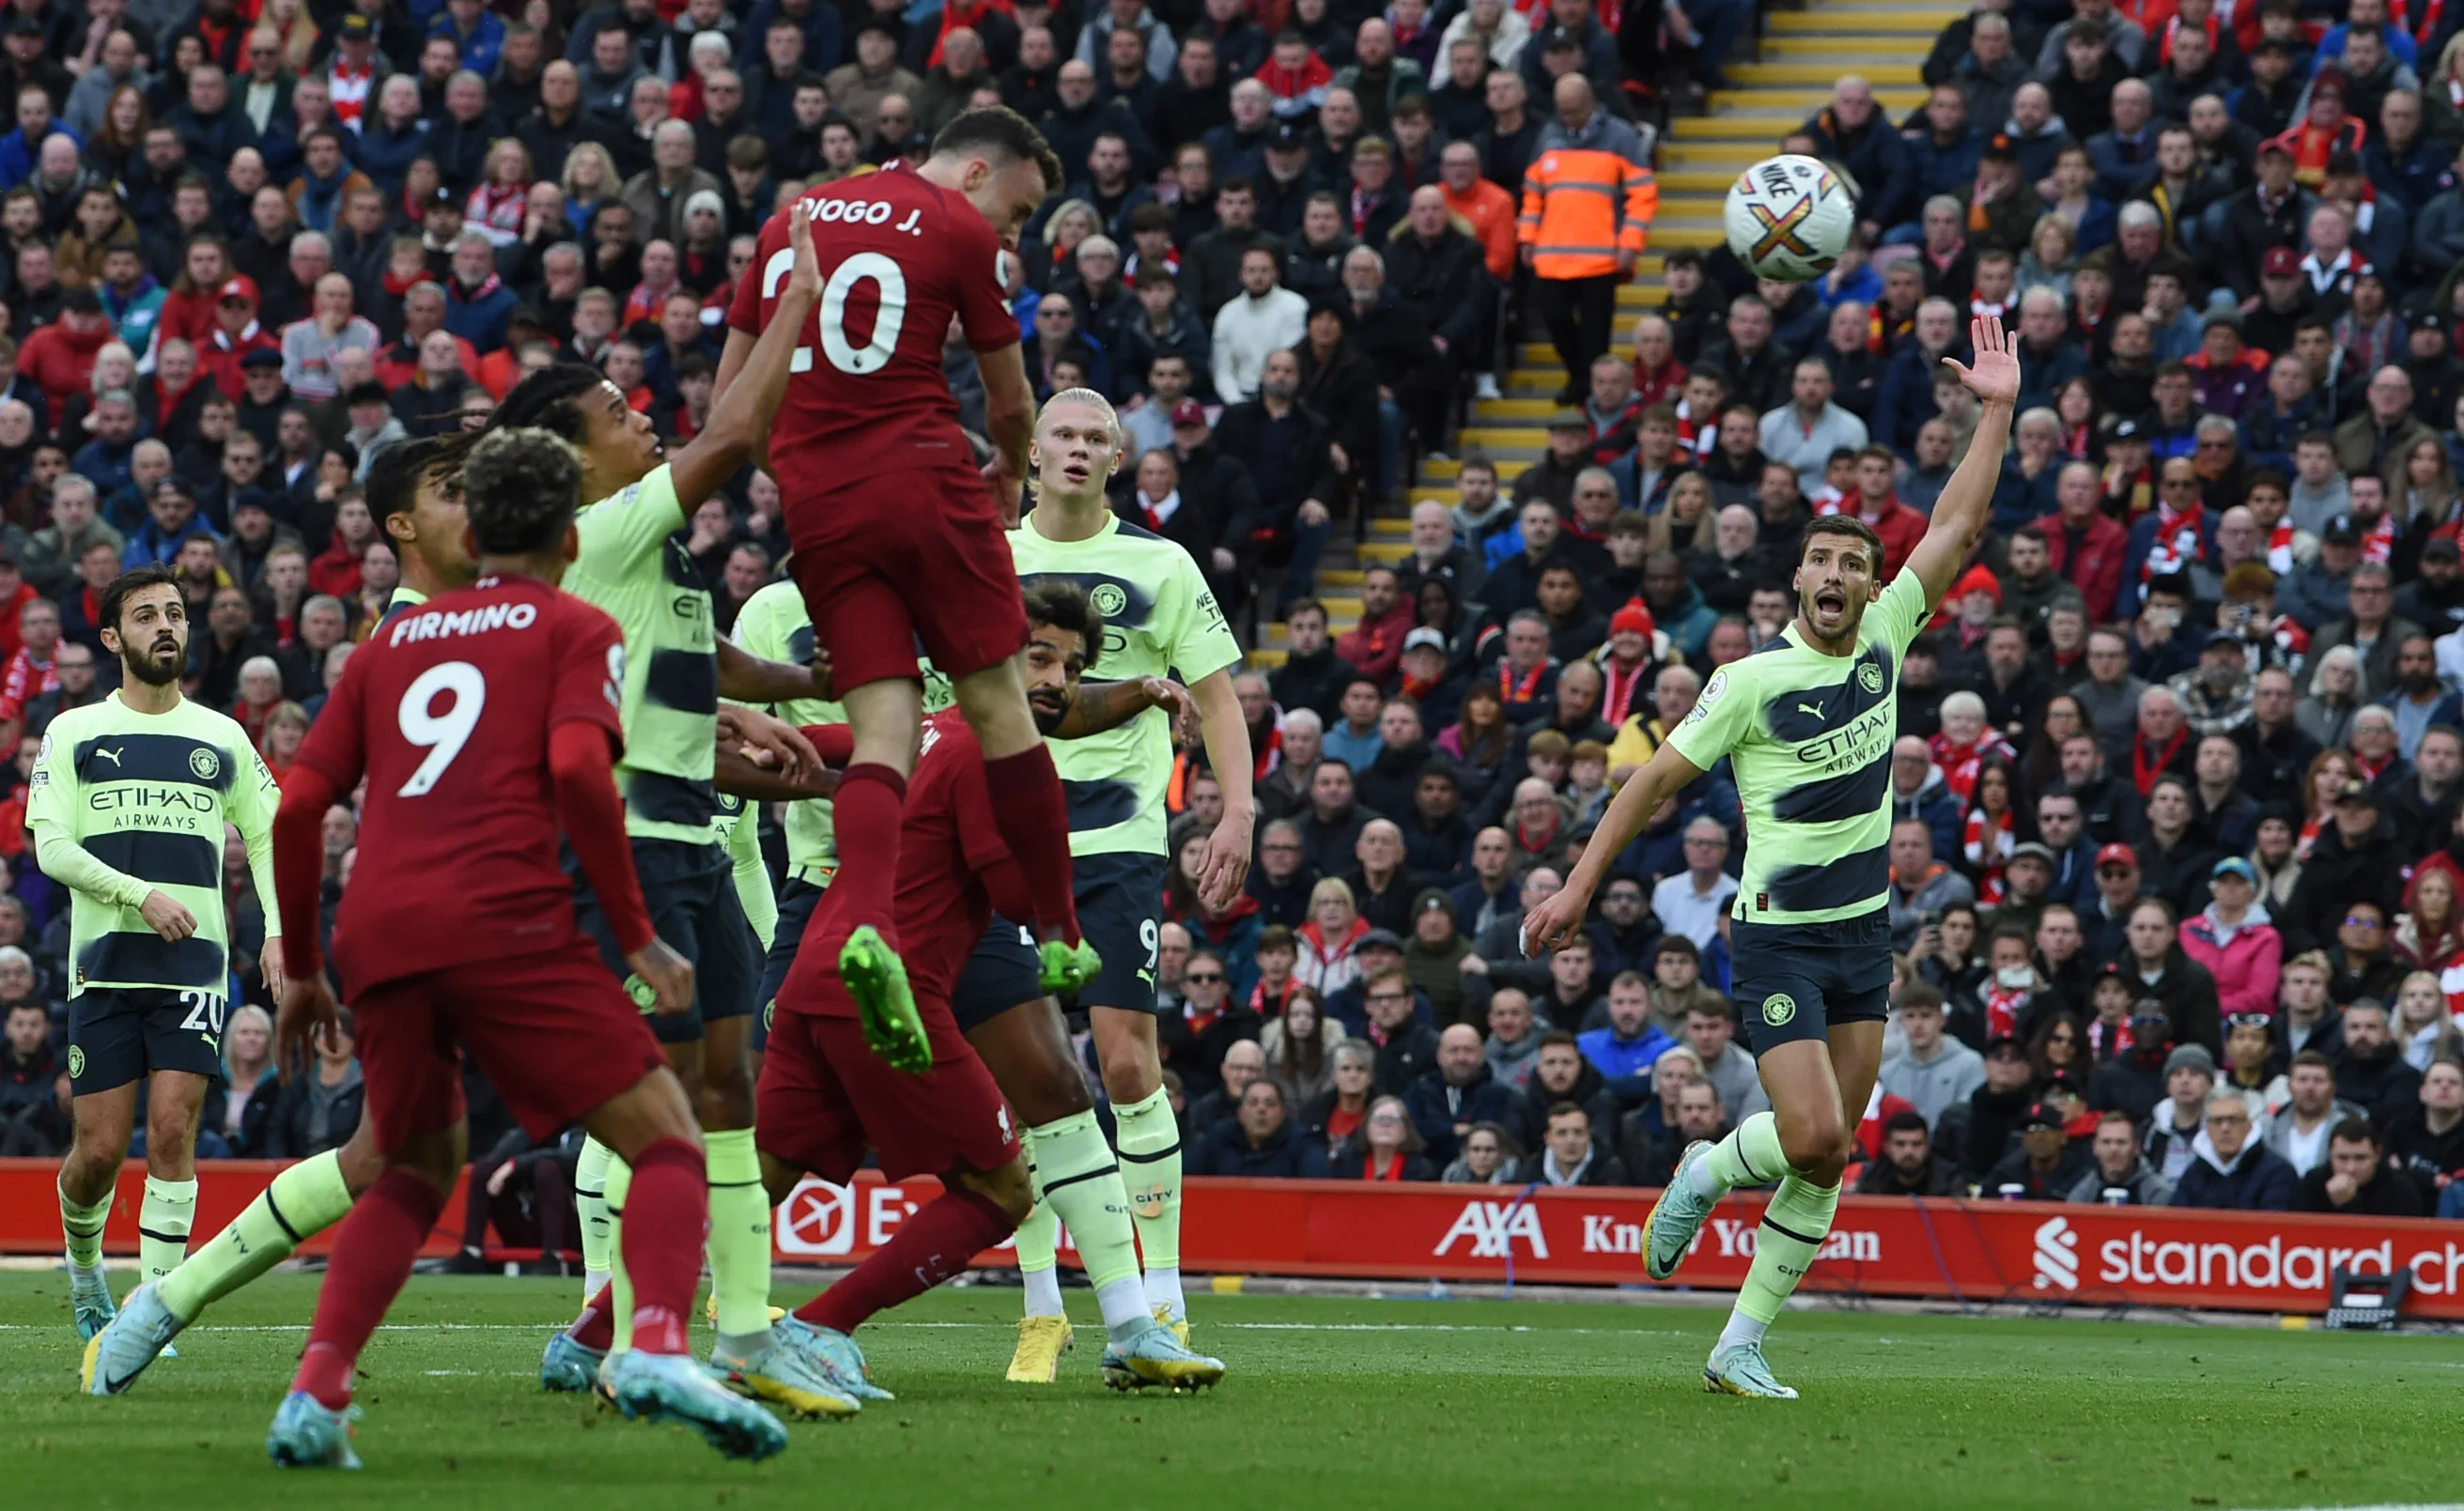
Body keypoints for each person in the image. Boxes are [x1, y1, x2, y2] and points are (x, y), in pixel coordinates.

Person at [242, 427, 783, 1463]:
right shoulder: (577, 625)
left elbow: (299, 802)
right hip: (504, 922)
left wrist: (306, 968)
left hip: (380, 931)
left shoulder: (385, 644)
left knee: (413, 1169)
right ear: (571, 538)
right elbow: (584, 771)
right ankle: (661, 1345)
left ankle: (313, 1395)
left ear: (477, 528)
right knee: (670, 1137)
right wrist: (635, 934)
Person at [1522, 315, 2023, 1398]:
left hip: (1860, 937)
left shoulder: (1890, 627)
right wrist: (1576, 881)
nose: (1840, 575)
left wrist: (1994, 407)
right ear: (1798, 586)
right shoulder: (1749, 682)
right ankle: (1704, 1170)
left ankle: (1737, 1341)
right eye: (1822, 564)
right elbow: (1650, 784)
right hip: (1778, 943)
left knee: (1830, 1150)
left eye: (1855, 560)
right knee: (1806, 1129)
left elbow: (1960, 524)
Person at [507, 210, 840, 1404]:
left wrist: (794, 690)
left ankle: (740, 1333)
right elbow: (741, 427)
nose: (641, 415)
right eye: (616, 410)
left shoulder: (655, 556)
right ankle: (627, 1341)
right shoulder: (595, 529)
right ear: (571, 454)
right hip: (632, 853)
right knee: (658, 1108)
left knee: (726, 1093)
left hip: (695, 845)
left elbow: (699, 662)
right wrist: (796, 296)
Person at [80, 436, 486, 1393]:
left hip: (508, 908)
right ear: (399, 525)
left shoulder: (487, 611)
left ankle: (624, 1336)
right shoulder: (416, 639)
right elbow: (301, 806)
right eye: (450, 488)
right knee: (396, 1150)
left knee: (424, 1151)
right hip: (448, 917)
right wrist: (291, 952)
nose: (475, 501)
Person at [756, 579, 1221, 1397]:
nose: (1055, 678)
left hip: (829, 954)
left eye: (1070, 666)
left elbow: (833, 743)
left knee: (758, 1170)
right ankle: (819, 1326)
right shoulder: (984, 739)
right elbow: (1009, 882)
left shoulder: (935, 723)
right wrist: (1058, 932)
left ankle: (599, 1331)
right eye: (1040, 657)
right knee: (1003, 1180)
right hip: (901, 958)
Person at [715, 105, 1097, 1033]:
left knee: (883, 726)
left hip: (821, 505)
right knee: (1000, 706)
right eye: (1019, 210)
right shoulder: (956, 226)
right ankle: (1057, 929)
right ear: (975, 174)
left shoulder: (787, 224)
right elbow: (1010, 406)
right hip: (928, 481)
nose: (1016, 232)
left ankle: (872, 926)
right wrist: (1007, 474)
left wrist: (801, 471)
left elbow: (729, 409)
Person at [1002, 386, 1252, 1362]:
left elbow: (1219, 699)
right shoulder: (992, 558)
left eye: (1093, 437)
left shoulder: (1161, 564)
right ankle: (1040, 1304)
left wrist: (1235, 809)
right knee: (1023, 1074)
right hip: (999, 838)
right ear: (1030, 454)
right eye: (1059, 434)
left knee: (1125, 1065)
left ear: (1120, 458)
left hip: (1115, 839)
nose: (1074, 449)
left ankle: (1164, 1296)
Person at [39, 563, 283, 1348]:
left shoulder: (223, 735)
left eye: (175, 613)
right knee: (100, 1152)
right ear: (113, 637)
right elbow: (50, 846)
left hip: (194, 967)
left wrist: (277, 930)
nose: (165, 626)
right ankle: (84, 1271)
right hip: (105, 965)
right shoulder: (75, 731)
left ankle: (151, 1308)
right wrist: (139, 892)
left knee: (173, 1132)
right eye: (145, 616)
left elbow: (273, 830)